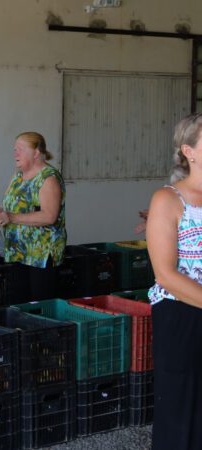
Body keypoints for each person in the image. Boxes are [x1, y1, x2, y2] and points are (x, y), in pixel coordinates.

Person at [146, 112, 202, 450]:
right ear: (189, 151)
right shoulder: (167, 200)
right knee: (182, 411)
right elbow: (165, 273)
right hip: (181, 315)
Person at [0, 132, 66, 301]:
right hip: (17, 250)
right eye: (15, 149)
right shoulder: (17, 176)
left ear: (36, 153)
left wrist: (11, 217)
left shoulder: (48, 178)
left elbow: (49, 216)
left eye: (21, 149)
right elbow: (11, 207)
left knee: (40, 304)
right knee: (19, 302)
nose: (15, 154)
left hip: (40, 255)